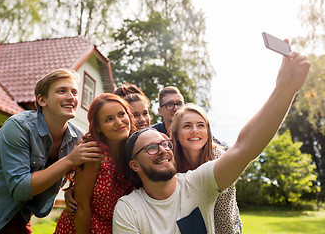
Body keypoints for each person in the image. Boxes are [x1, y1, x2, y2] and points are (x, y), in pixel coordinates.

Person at [113, 51, 311, 233]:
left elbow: (244, 148)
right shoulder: (128, 209)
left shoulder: (197, 183)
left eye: (166, 144)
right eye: (151, 148)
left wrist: (284, 91)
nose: (163, 150)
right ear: (134, 164)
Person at [0, 69, 97, 234]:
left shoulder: (78, 138)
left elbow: (84, 176)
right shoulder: (19, 126)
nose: (71, 97)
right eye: (62, 91)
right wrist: (69, 160)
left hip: (19, 218)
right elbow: (20, 188)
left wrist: (72, 190)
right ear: (42, 100)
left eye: (74, 92)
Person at [54, 93, 136, 234]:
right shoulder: (94, 152)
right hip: (82, 227)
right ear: (97, 127)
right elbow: (81, 206)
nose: (118, 122)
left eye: (121, 114)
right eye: (109, 119)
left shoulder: (134, 149)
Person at [170, 103, 242, 233]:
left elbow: (224, 218)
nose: (194, 130)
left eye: (200, 125)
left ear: (208, 132)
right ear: (176, 134)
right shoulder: (171, 163)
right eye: (187, 126)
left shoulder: (219, 160)